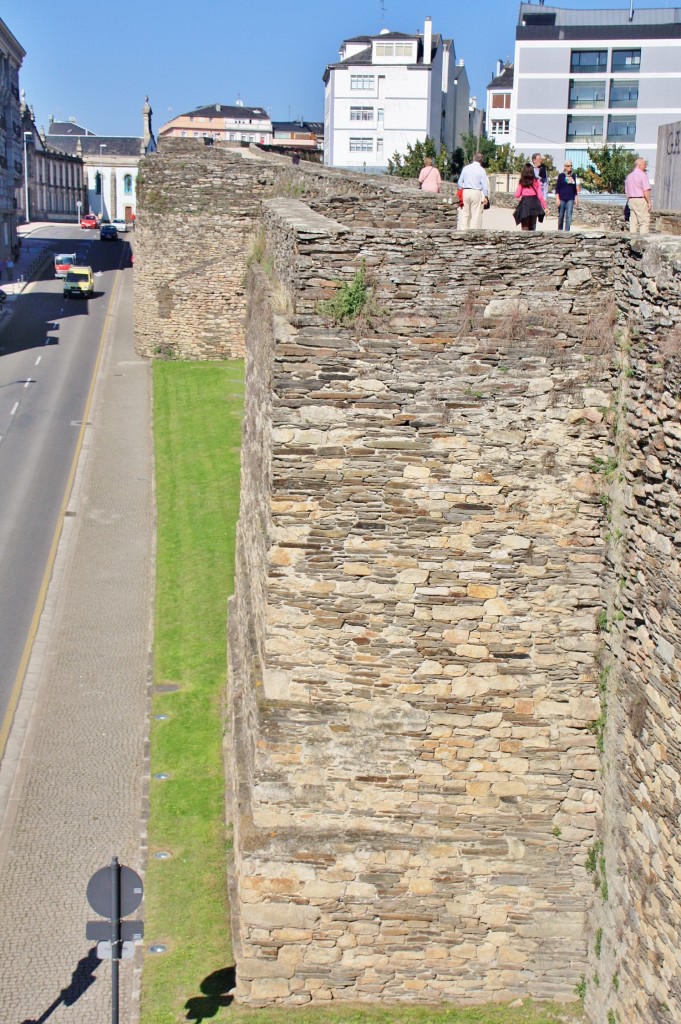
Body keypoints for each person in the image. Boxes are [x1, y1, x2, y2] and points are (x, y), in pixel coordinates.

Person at [457, 152, 489, 230]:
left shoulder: (466, 168)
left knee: (465, 213)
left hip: (466, 191)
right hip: (476, 192)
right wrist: (486, 196)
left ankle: (463, 231)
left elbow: (459, 182)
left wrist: (463, 187)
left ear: (474, 158)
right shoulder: (482, 170)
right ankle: (472, 232)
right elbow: (484, 185)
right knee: (475, 214)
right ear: (482, 160)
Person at [514, 162, 547, 231]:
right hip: (534, 205)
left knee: (525, 228)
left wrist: (521, 196)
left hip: (525, 205)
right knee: (532, 227)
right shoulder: (536, 181)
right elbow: (540, 196)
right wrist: (545, 207)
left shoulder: (522, 181)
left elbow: (517, 194)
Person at [624, 158, 652, 235]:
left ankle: (633, 240)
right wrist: (649, 202)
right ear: (639, 165)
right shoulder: (643, 175)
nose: (645, 166)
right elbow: (646, 190)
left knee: (633, 222)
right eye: (644, 165)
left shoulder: (629, 176)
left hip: (631, 200)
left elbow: (626, 192)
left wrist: (630, 200)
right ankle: (643, 239)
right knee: (644, 221)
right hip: (640, 199)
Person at [555, 161, 580, 231]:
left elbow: (574, 188)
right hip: (562, 198)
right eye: (568, 166)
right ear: (565, 167)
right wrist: (557, 198)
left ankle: (567, 232)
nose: (570, 167)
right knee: (561, 216)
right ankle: (560, 231)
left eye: (571, 166)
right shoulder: (561, 175)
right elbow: (557, 188)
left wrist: (576, 198)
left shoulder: (573, 175)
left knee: (569, 216)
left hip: (570, 198)